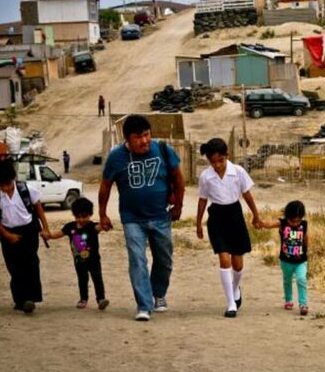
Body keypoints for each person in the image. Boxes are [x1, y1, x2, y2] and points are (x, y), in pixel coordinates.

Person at [99, 114, 185, 321]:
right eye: (138, 137)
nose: (144, 141)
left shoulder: (163, 149)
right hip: (132, 219)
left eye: (147, 135)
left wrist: (178, 206)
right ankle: (144, 305)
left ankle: (159, 294)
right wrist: (102, 214)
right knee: (137, 260)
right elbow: (105, 186)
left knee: (164, 259)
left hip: (161, 216)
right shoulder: (116, 157)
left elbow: (178, 177)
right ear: (126, 138)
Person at [196, 138, 261, 318]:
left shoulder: (238, 172)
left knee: (237, 264)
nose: (217, 165)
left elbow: (247, 195)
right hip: (216, 216)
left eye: (220, 160)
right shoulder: (205, 177)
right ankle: (231, 302)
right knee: (224, 259)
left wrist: (256, 215)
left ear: (227, 156)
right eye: (213, 162)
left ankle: (235, 288)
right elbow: (202, 200)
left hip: (234, 215)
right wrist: (198, 223)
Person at [0, 160, 51, 314]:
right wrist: (6, 234)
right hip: (7, 233)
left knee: (31, 263)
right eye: (2, 185)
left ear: (13, 178)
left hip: (29, 231)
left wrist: (45, 228)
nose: (6, 188)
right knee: (14, 267)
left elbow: (39, 209)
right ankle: (19, 300)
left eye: (8, 184)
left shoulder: (27, 189)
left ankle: (31, 299)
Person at [46, 197, 109, 310]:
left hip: (94, 260)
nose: (81, 219)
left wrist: (105, 225)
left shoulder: (92, 226)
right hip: (79, 261)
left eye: (84, 216)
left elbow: (100, 227)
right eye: (78, 217)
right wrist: (49, 236)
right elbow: (59, 234)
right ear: (74, 215)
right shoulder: (70, 227)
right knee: (82, 279)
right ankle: (83, 299)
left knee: (97, 278)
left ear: (90, 214)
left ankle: (101, 299)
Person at [258, 200, 309, 316]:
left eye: (298, 221)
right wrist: (261, 223)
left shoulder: (304, 225)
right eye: (292, 221)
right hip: (286, 261)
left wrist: (306, 251)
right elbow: (269, 224)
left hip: (301, 260)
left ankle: (303, 304)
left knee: (301, 279)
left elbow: (306, 238)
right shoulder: (282, 223)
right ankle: (288, 300)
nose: (295, 223)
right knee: (287, 280)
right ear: (287, 217)